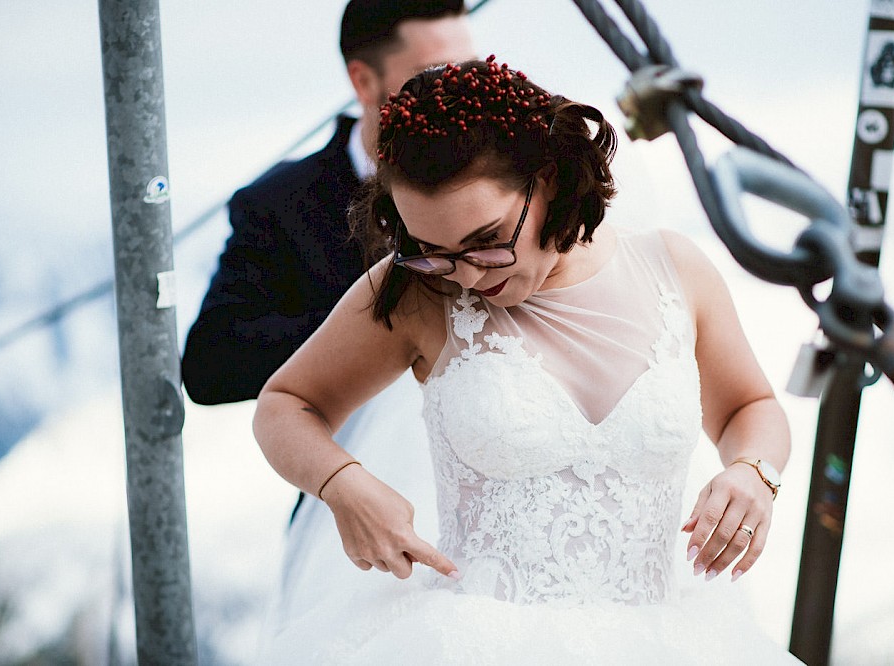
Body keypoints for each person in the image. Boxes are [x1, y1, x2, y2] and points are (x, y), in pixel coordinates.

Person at [253, 56, 800, 664]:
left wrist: (755, 473)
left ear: (550, 181)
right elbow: (284, 405)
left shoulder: (675, 269)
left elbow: (750, 407)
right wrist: (341, 485)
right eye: (432, 249)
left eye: (486, 241)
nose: (464, 273)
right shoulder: (419, 295)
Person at [181, 0, 474, 405]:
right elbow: (210, 367)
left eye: (473, 71)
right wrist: (380, 324)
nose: (460, 92)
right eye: (436, 73)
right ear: (364, 81)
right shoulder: (281, 204)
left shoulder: (509, 173)